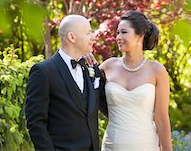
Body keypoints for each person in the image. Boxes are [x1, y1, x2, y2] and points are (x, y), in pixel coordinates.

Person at [25, 14, 108, 151]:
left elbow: (107, 105)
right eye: (88, 33)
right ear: (72, 37)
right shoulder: (43, 72)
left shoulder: (92, 67)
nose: (93, 37)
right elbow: (36, 123)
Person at [99, 11, 172, 151]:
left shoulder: (157, 70)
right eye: (117, 33)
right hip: (111, 146)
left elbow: (162, 119)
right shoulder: (108, 66)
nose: (118, 37)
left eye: (124, 32)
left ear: (140, 36)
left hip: (146, 145)